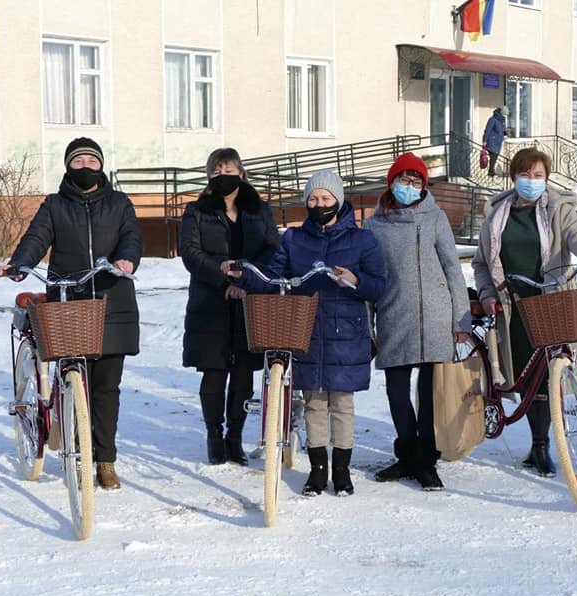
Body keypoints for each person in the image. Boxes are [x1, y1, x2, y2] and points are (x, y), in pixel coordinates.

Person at [0, 137, 142, 490]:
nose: (86, 167)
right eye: (78, 161)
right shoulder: (54, 205)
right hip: (69, 301)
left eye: (92, 160)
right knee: (74, 383)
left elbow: (132, 237)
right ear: (67, 166)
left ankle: (105, 461)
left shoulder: (120, 203)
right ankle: (79, 453)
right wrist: (21, 263)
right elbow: (36, 237)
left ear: (101, 165)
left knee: (107, 387)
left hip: (113, 301)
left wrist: (126, 259)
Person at [471, 147, 577, 476]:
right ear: (514, 176)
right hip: (511, 306)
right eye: (525, 175)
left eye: (538, 175)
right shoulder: (496, 214)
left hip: (550, 302)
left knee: (548, 375)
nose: (531, 181)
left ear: (546, 178)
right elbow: (482, 263)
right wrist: (486, 294)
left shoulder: (558, 209)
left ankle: (540, 447)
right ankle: (534, 440)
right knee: (525, 377)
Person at [233, 170, 386, 496]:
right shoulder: (294, 238)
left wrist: (356, 281)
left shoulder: (362, 239)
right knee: (315, 402)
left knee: (342, 404)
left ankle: (342, 471)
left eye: (326, 199)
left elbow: (379, 285)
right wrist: (245, 274)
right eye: (313, 199)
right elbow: (273, 278)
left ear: (338, 201)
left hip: (346, 330)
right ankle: (318, 470)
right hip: (305, 330)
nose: (319, 204)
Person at [365, 153, 471, 491]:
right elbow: (368, 276)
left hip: (435, 316)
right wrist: (368, 327)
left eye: (416, 182)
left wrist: (460, 319)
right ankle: (407, 454)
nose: (409, 187)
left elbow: (453, 268)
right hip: (394, 313)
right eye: (403, 180)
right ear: (391, 182)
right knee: (397, 391)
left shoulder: (435, 217)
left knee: (428, 393)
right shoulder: (373, 224)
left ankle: (426, 461)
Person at [180, 148, 279, 466]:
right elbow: (190, 252)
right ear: (209, 176)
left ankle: (234, 438)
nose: (223, 175)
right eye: (217, 170)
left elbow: (272, 250)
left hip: (249, 301)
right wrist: (220, 273)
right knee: (213, 370)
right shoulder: (196, 211)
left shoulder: (260, 210)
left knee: (242, 372)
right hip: (209, 301)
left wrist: (245, 278)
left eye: (229, 169)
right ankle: (214, 436)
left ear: (242, 173)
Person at [483, 106, 509, 177]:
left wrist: (505, 132)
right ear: (501, 113)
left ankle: (491, 171)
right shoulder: (492, 120)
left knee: (494, 157)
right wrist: (485, 140)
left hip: (498, 142)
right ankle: (491, 172)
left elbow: (501, 131)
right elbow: (487, 130)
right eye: (504, 114)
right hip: (492, 141)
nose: (505, 116)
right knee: (493, 156)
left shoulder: (501, 121)